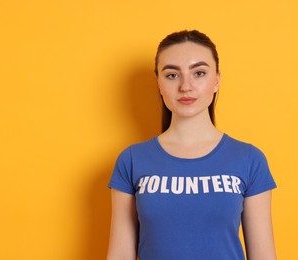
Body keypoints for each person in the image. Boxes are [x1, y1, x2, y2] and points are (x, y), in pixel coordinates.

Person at [107, 30, 277, 260]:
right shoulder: (132, 160)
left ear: (216, 79)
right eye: (172, 75)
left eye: (199, 73)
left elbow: (263, 256)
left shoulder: (249, 159)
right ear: (158, 82)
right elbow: (120, 255)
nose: (186, 86)